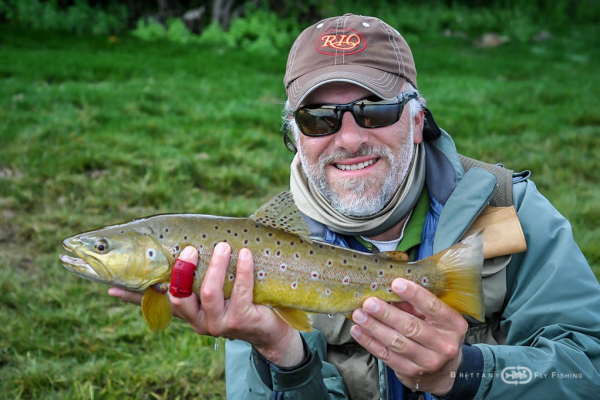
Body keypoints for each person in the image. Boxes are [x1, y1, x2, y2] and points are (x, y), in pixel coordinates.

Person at [109, 13, 600, 399]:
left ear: (416, 119)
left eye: (375, 110)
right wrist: (281, 353)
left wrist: (470, 372)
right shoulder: (245, 253)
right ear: (293, 136)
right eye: (318, 118)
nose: (349, 137)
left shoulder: (508, 209)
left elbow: (589, 372)